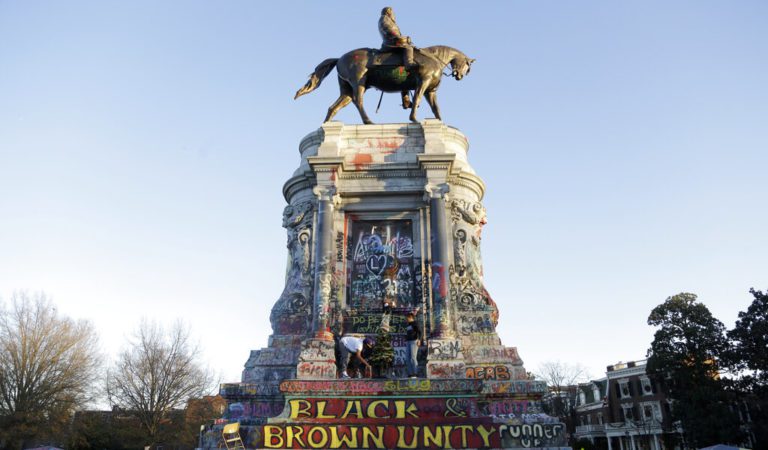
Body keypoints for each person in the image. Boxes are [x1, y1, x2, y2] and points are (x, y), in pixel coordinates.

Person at [404, 313, 420, 378]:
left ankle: (415, 373)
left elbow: (420, 332)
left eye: (407, 318)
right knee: (407, 358)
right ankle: (410, 373)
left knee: (413, 357)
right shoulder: (408, 325)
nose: (406, 319)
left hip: (414, 341)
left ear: (410, 317)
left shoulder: (415, 323)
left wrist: (419, 340)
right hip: (408, 341)